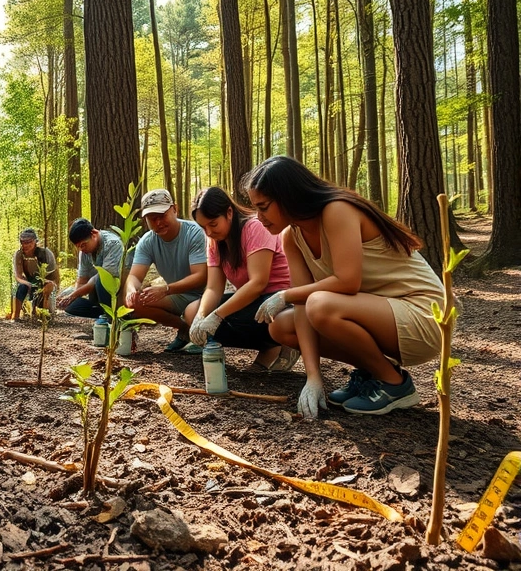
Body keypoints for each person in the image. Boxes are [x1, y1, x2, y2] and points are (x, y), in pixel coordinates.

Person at [244, 156, 444, 418]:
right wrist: (313, 377)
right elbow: (302, 304)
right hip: (382, 315)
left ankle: (395, 385)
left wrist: (284, 294)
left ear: (288, 196)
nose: (259, 218)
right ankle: (374, 371)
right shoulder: (291, 236)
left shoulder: (337, 210)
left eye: (264, 207)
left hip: (425, 316)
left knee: (321, 304)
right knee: (281, 326)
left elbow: (347, 282)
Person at [185, 186, 298, 371]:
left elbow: (258, 283)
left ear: (229, 212)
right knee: (191, 311)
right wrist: (201, 316)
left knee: (227, 318)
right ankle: (269, 347)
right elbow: (213, 288)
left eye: (213, 224)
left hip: (278, 300)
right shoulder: (213, 240)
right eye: (203, 227)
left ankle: (278, 345)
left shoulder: (254, 227)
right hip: (252, 301)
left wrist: (217, 315)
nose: (209, 232)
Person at [122, 189, 208, 353]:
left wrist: (166, 289)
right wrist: (131, 291)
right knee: (136, 303)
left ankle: (198, 332)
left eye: (162, 215)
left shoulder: (194, 233)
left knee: (193, 311)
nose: (158, 223)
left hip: (203, 295)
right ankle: (185, 330)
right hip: (176, 296)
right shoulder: (147, 242)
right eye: (152, 219)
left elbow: (201, 276)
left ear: (175, 209)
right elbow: (134, 275)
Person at [57, 218, 128, 320]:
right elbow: (82, 280)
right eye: (78, 247)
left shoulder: (113, 244)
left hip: (117, 293)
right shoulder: (84, 252)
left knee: (100, 281)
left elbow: (104, 277)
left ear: (94, 234)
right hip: (97, 295)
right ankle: (103, 315)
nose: (81, 249)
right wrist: (72, 298)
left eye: (83, 245)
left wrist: (75, 294)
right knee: (71, 307)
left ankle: (116, 317)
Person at [11, 228, 60, 320]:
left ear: (35, 241)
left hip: (46, 282)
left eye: (28, 242)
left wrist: (42, 284)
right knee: (20, 287)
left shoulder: (46, 253)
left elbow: (52, 276)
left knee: (46, 292)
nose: (25, 245)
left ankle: (45, 315)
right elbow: (18, 276)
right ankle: (15, 316)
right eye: (23, 242)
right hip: (29, 281)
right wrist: (27, 284)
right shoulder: (19, 254)